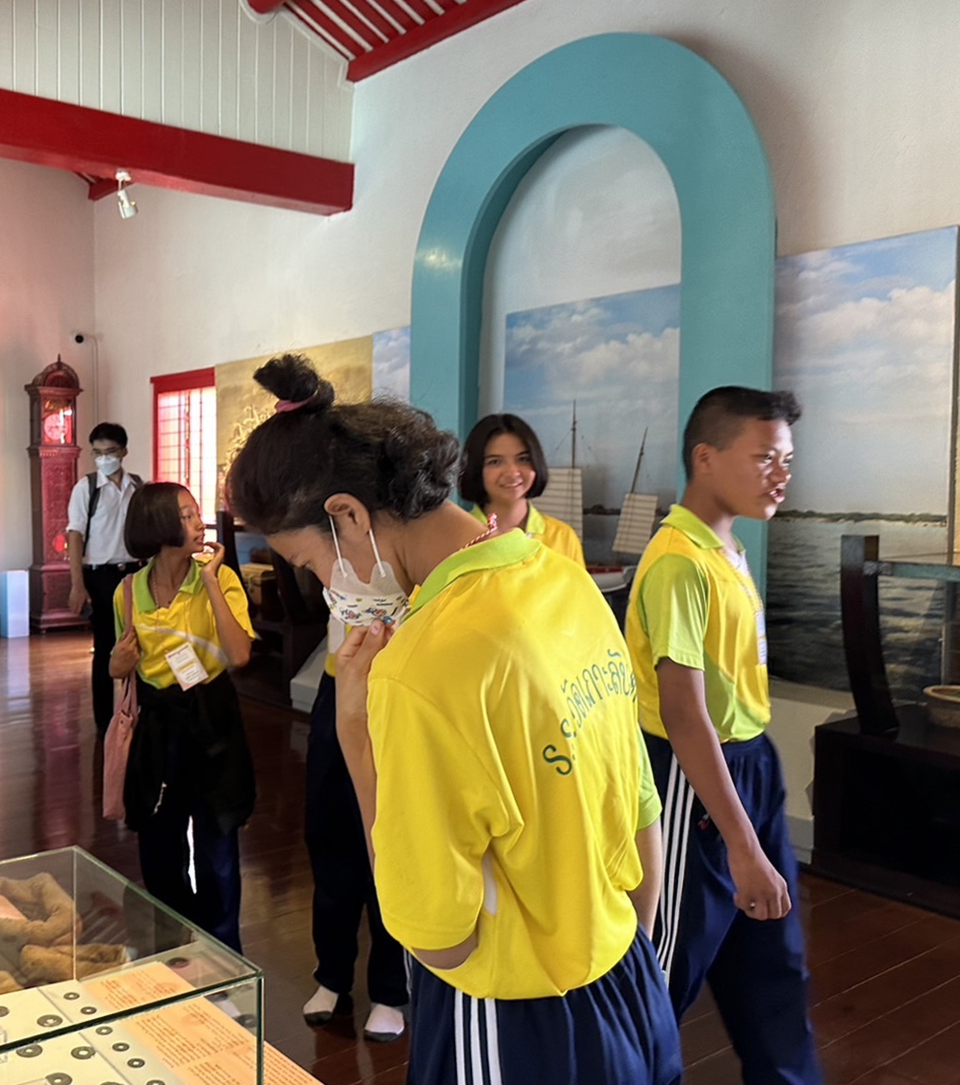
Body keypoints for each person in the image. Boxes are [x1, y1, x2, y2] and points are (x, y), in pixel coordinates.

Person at [227, 355, 679, 1085]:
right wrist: (624, 956)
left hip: (506, 1014)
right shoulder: (564, 579)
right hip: (628, 978)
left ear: (347, 515)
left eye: (309, 563)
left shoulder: (420, 667)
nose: (324, 586)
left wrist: (356, 740)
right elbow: (640, 804)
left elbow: (434, 936)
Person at [625, 387, 821, 1083]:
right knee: (666, 966)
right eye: (764, 457)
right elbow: (684, 714)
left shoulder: (724, 546)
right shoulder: (677, 559)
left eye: (786, 458)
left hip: (750, 764)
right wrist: (741, 844)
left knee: (773, 958)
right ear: (705, 458)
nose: (781, 473)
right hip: (691, 780)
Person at [109, 482, 255, 953]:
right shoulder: (128, 591)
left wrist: (210, 579)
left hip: (213, 722)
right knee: (159, 847)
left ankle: (223, 956)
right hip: (158, 728)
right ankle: (176, 951)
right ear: (158, 526)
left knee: (218, 848)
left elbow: (239, 655)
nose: (198, 524)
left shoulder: (220, 581)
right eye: (187, 516)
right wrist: (116, 665)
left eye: (196, 514)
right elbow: (121, 667)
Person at [301, 637, 408, 1041]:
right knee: (329, 833)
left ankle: (390, 991)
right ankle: (331, 975)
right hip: (339, 676)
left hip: (400, 685)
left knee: (392, 842)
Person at [68, 423, 142, 733]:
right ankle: (104, 723)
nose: (104, 459)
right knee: (105, 648)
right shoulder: (86, 488)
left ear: (123, 452)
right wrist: (77, 584)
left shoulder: (138, 487)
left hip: (135, 573)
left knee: (140, 643)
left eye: (109, 452)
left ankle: (137, 712)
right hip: (100, 576)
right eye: (97, 453)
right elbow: (75, 535)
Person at [460, 412, 584, 565]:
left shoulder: (563, 537)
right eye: (495, 462)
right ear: (475, 468)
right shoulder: (456, 537)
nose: (512, 473)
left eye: (523, 459)